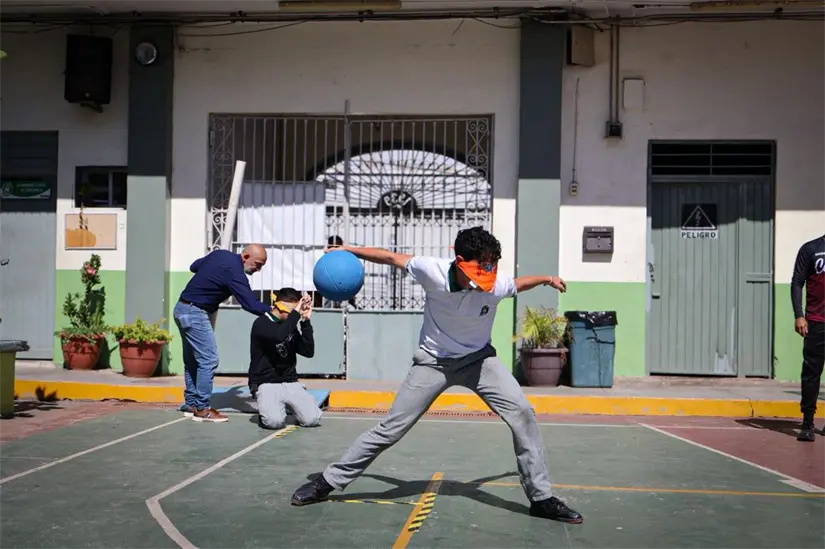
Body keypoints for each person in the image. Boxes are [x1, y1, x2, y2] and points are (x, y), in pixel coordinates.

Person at [290, 226, 584, 524]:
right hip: (432, 362)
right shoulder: (431, 270)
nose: (485, 284)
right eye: (478, 276)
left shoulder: (495, 283)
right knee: (391, 428)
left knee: (523, 412)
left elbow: (518, 284)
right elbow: (391, 257)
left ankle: (541, 498)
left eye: (489, 274)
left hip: (479, 360)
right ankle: (328, 482)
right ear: (458, 260)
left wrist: (547, 279)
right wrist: (349, 250)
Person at [174, 244, 274, 423]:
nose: (258, 270)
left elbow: (194, 267)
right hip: (196, 313)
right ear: (245, 256)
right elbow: (250, 304)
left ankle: (191, 404)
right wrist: (276, 312)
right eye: (257, 264)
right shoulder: (235, 273)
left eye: (262, 266)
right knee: (209, 360)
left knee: (192, 360)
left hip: (182, 308)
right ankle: (203, 409)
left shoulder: (219, 255)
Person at [249, 288, 322, 430]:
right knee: (274, 422)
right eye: (294, 310)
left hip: (289, 381)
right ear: (281, 307)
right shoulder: (261, 323)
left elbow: (308, 352)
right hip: (266, 382)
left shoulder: (290, 326)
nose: (296, 314)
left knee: (312, 419)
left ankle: (289, 406)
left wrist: (305, 322)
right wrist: (295, 316)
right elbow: (278, 337)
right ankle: (270, 408)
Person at [791, 234, 825, 441]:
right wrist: (799, 315)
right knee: (811, 373)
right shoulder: (811, 248)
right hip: (816, 321)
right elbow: (797, 282)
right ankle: (807, 422)